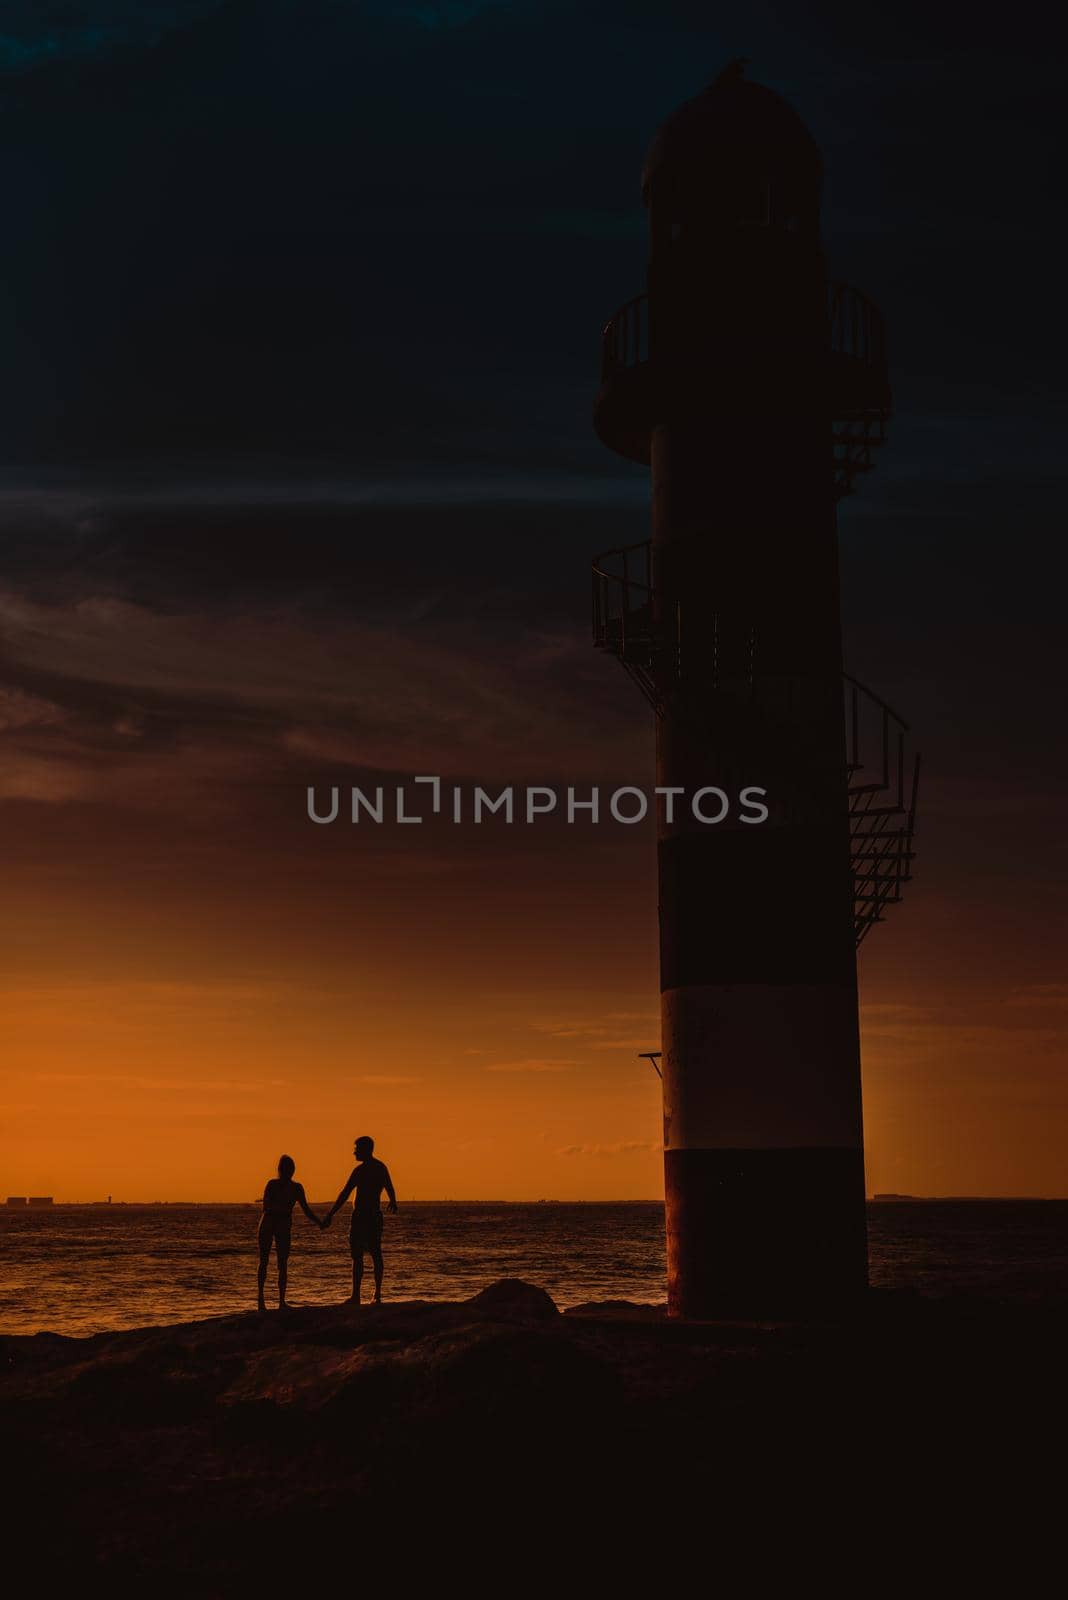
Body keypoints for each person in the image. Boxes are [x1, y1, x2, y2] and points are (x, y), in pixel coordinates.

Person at [321, 1135, 397, 1305]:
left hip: (366, 1216)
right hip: (367, 1216)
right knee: (365, 1254)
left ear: (366, 1149)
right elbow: (389, 1187)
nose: (354, 1151)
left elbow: (345, 1193)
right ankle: (367, 1294)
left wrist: (330, 1214)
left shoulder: (364, 1170)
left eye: (357, 1148)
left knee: (367, 1254)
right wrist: (393, 1200)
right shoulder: (378, 1168)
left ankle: (369, 1294)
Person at [257, 1154, 321, 1311]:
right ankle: (261, 1299)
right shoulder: (272, 1184)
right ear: (280, 1170)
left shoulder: (297, 1188)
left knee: (283, 1263)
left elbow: (306, 1209)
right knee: (264, 1260)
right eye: (285, 1169)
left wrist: (320, 1222)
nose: (287, 1172)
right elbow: (266, 1206)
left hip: (283, 1225)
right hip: (269, 1223)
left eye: (290, 1169)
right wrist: (282, 1210)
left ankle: (281, 1301)